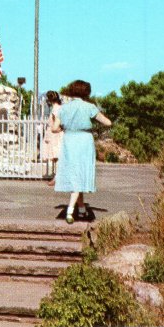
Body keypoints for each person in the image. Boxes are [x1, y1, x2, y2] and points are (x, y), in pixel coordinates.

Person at [53, 80, 112, 224]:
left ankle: (81, 209)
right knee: (80, 174)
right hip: (84, 140)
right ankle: (70, 210)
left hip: (69, 139)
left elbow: (54, 128)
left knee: (74, 173)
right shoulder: (89, 107)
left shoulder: (63, 108)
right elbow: (107, 122)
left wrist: (64, 128)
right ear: (86, 92)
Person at [43, 91, 63, 186]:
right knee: (56, 157)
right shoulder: (58, 108)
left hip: (56, 135)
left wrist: (58, 130)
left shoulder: (56, 109)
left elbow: (57, 122)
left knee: (57, 156)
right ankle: (57, 176)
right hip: (55, 134)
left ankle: (57, 178)